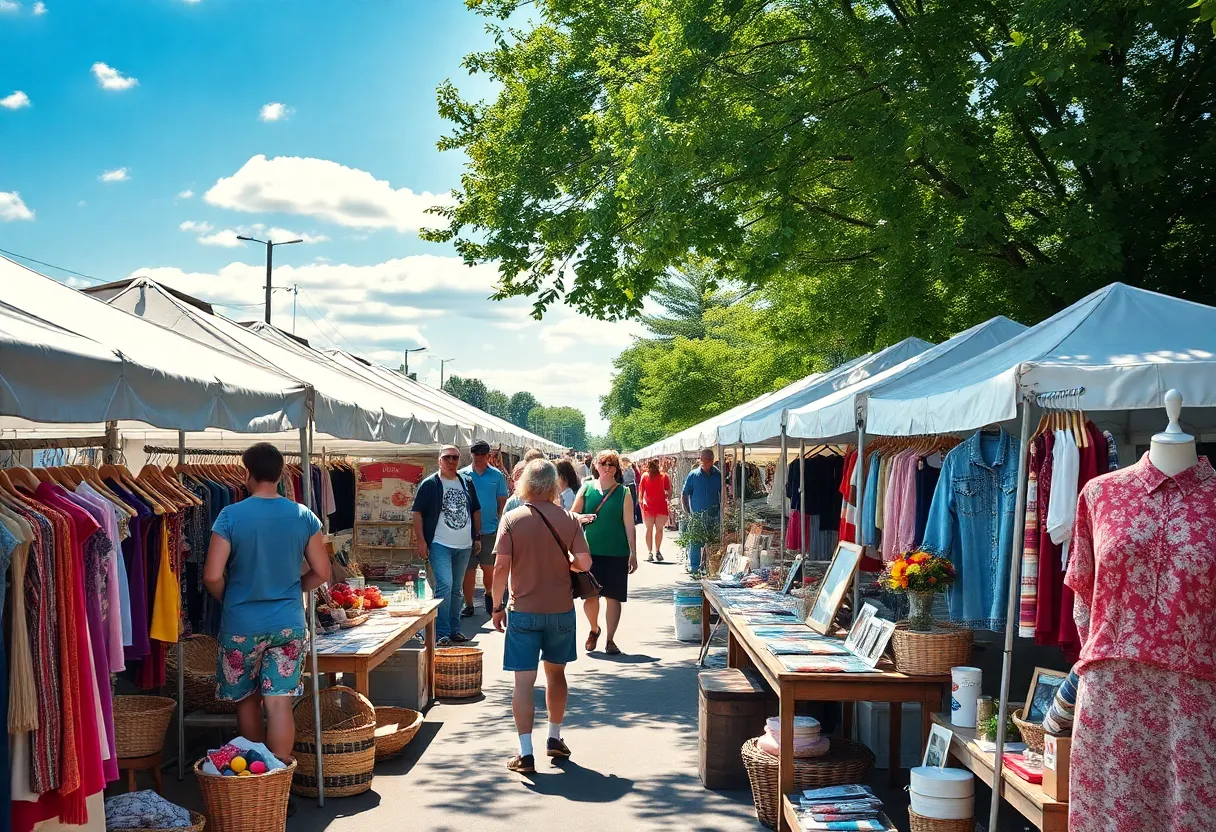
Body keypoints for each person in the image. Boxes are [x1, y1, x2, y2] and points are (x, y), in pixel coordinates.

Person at [204, 442, 330, 765]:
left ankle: (256, 778)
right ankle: (280, 785)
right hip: (287, 623)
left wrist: (229, 597)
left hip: (241, 625)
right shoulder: (303, 515)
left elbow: (212, 575)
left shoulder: (230, 516)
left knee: (247, 701)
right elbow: (322, 571)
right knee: (279, 703)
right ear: (282, 474)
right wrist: (295, 588)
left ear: (246, 474)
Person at [492, 460, 593, 773]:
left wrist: (497, 605)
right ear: (554, 485)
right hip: (560, 610)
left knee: (523, 683)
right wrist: (567, 560)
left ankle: (525, 753)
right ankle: (554, 737)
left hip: (523, 611)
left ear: (524, 485)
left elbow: (500, 568)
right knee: (556, 675)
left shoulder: (511, 519)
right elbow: (585, 563)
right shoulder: (569, 519)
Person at [411, 445, 482, 645]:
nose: (451, 462)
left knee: (456, 588)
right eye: (447, 458)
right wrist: (421, 539)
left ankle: (453, 629)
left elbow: (476, 510)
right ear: (439, 460)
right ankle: (441, 632)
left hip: (464, 543)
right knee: (445, 584)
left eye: (455, 458)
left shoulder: (466, 481)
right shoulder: (430, 484)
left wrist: (477, 536)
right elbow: (417, 512)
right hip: (439, 543)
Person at [571, 450, 637, 655]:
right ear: (596, 466)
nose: (607, 468)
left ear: (616, 469)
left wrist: (633, 552)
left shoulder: (623, 492)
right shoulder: (587, 487)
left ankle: (610, 639)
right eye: (603, 464)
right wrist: (582, 518)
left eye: (612, 465)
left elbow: (629, 524)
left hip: (617, 552)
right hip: (589, 553)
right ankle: (594, 629)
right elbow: (572, 514)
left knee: (613, 597)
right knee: (590, 596)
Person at [461, 441, 510, 617]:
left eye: (483, 454)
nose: (480, 457)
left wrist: (498, 520)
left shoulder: (496, 475)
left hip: (490, 529)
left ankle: (489, 594)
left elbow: (502, 500)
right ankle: (469, 604)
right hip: (467, 530)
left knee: (489, 567)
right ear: (471, 454)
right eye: (476, 453)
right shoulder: (462, 474)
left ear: (488, 455)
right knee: (468, 570)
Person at [681, 448, 722, 576]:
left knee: (713, 542)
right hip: (697, 515)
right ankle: (694, 568)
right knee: (695, 543)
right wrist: (688, 511)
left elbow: (724, 494)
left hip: (714, 515)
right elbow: (685, 493)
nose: (708, 462)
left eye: (710, 459)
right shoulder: (693, 475)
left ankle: (710, 568)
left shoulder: (718, 475)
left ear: (713, 459)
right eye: (705, 459)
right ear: (701, 459)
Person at [639, 459, 673, 562]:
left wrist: (668, 499)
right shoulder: (646, 476)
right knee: (654, 529)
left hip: (657, 506)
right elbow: (641, 492)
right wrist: (641, 502)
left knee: (655, 529)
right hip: (651, 507)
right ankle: (653, 552)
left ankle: (654, 552)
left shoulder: (663, 476)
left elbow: (669, 489)